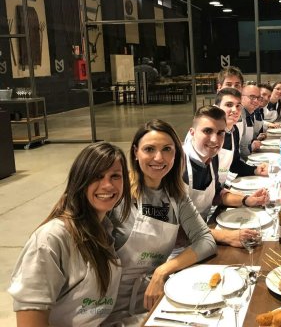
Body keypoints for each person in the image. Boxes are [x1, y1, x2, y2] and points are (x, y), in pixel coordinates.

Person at [104, 119, 216, 325]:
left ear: (176, 154)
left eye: (167, 149)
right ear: (135, 152)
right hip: (109, 308)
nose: (158, 157)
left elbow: (206, 240)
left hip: (153, 300)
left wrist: (162, 271)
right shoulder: (117, 193)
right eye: (149, 149)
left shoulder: (176, 195)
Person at [8, 142, 132, 327]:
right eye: (97, 176)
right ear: (80, 181)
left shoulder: (105, 229)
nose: (107, 185)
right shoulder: (51, 239)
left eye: (115, 176)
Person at [182, 105, 269, 247]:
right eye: (207, 131)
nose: (215, 140)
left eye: (220, 133)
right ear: (192, 133)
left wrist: (247, 200)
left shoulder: (211, 157)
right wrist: (226, 236)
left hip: (203, 235)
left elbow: (217, 194)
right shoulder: (178, 165)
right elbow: (173, 229)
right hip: (178, 248)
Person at [215, 88, 267, 185]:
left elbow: (234, 164)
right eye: (229, 105)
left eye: (238, 106)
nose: (235, 110)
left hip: (223, 185)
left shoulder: (234, 131)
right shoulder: (212, 134)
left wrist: (255, 170)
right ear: (217, 108)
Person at [239, 82, 266, 159]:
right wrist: (251, 147)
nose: (256, 101)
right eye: (252, 97)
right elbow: (236, 149)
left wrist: (255, 138)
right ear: (241, 97)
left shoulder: (250, 113)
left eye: (258, 98)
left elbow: (244, 140)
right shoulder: (238, 117)